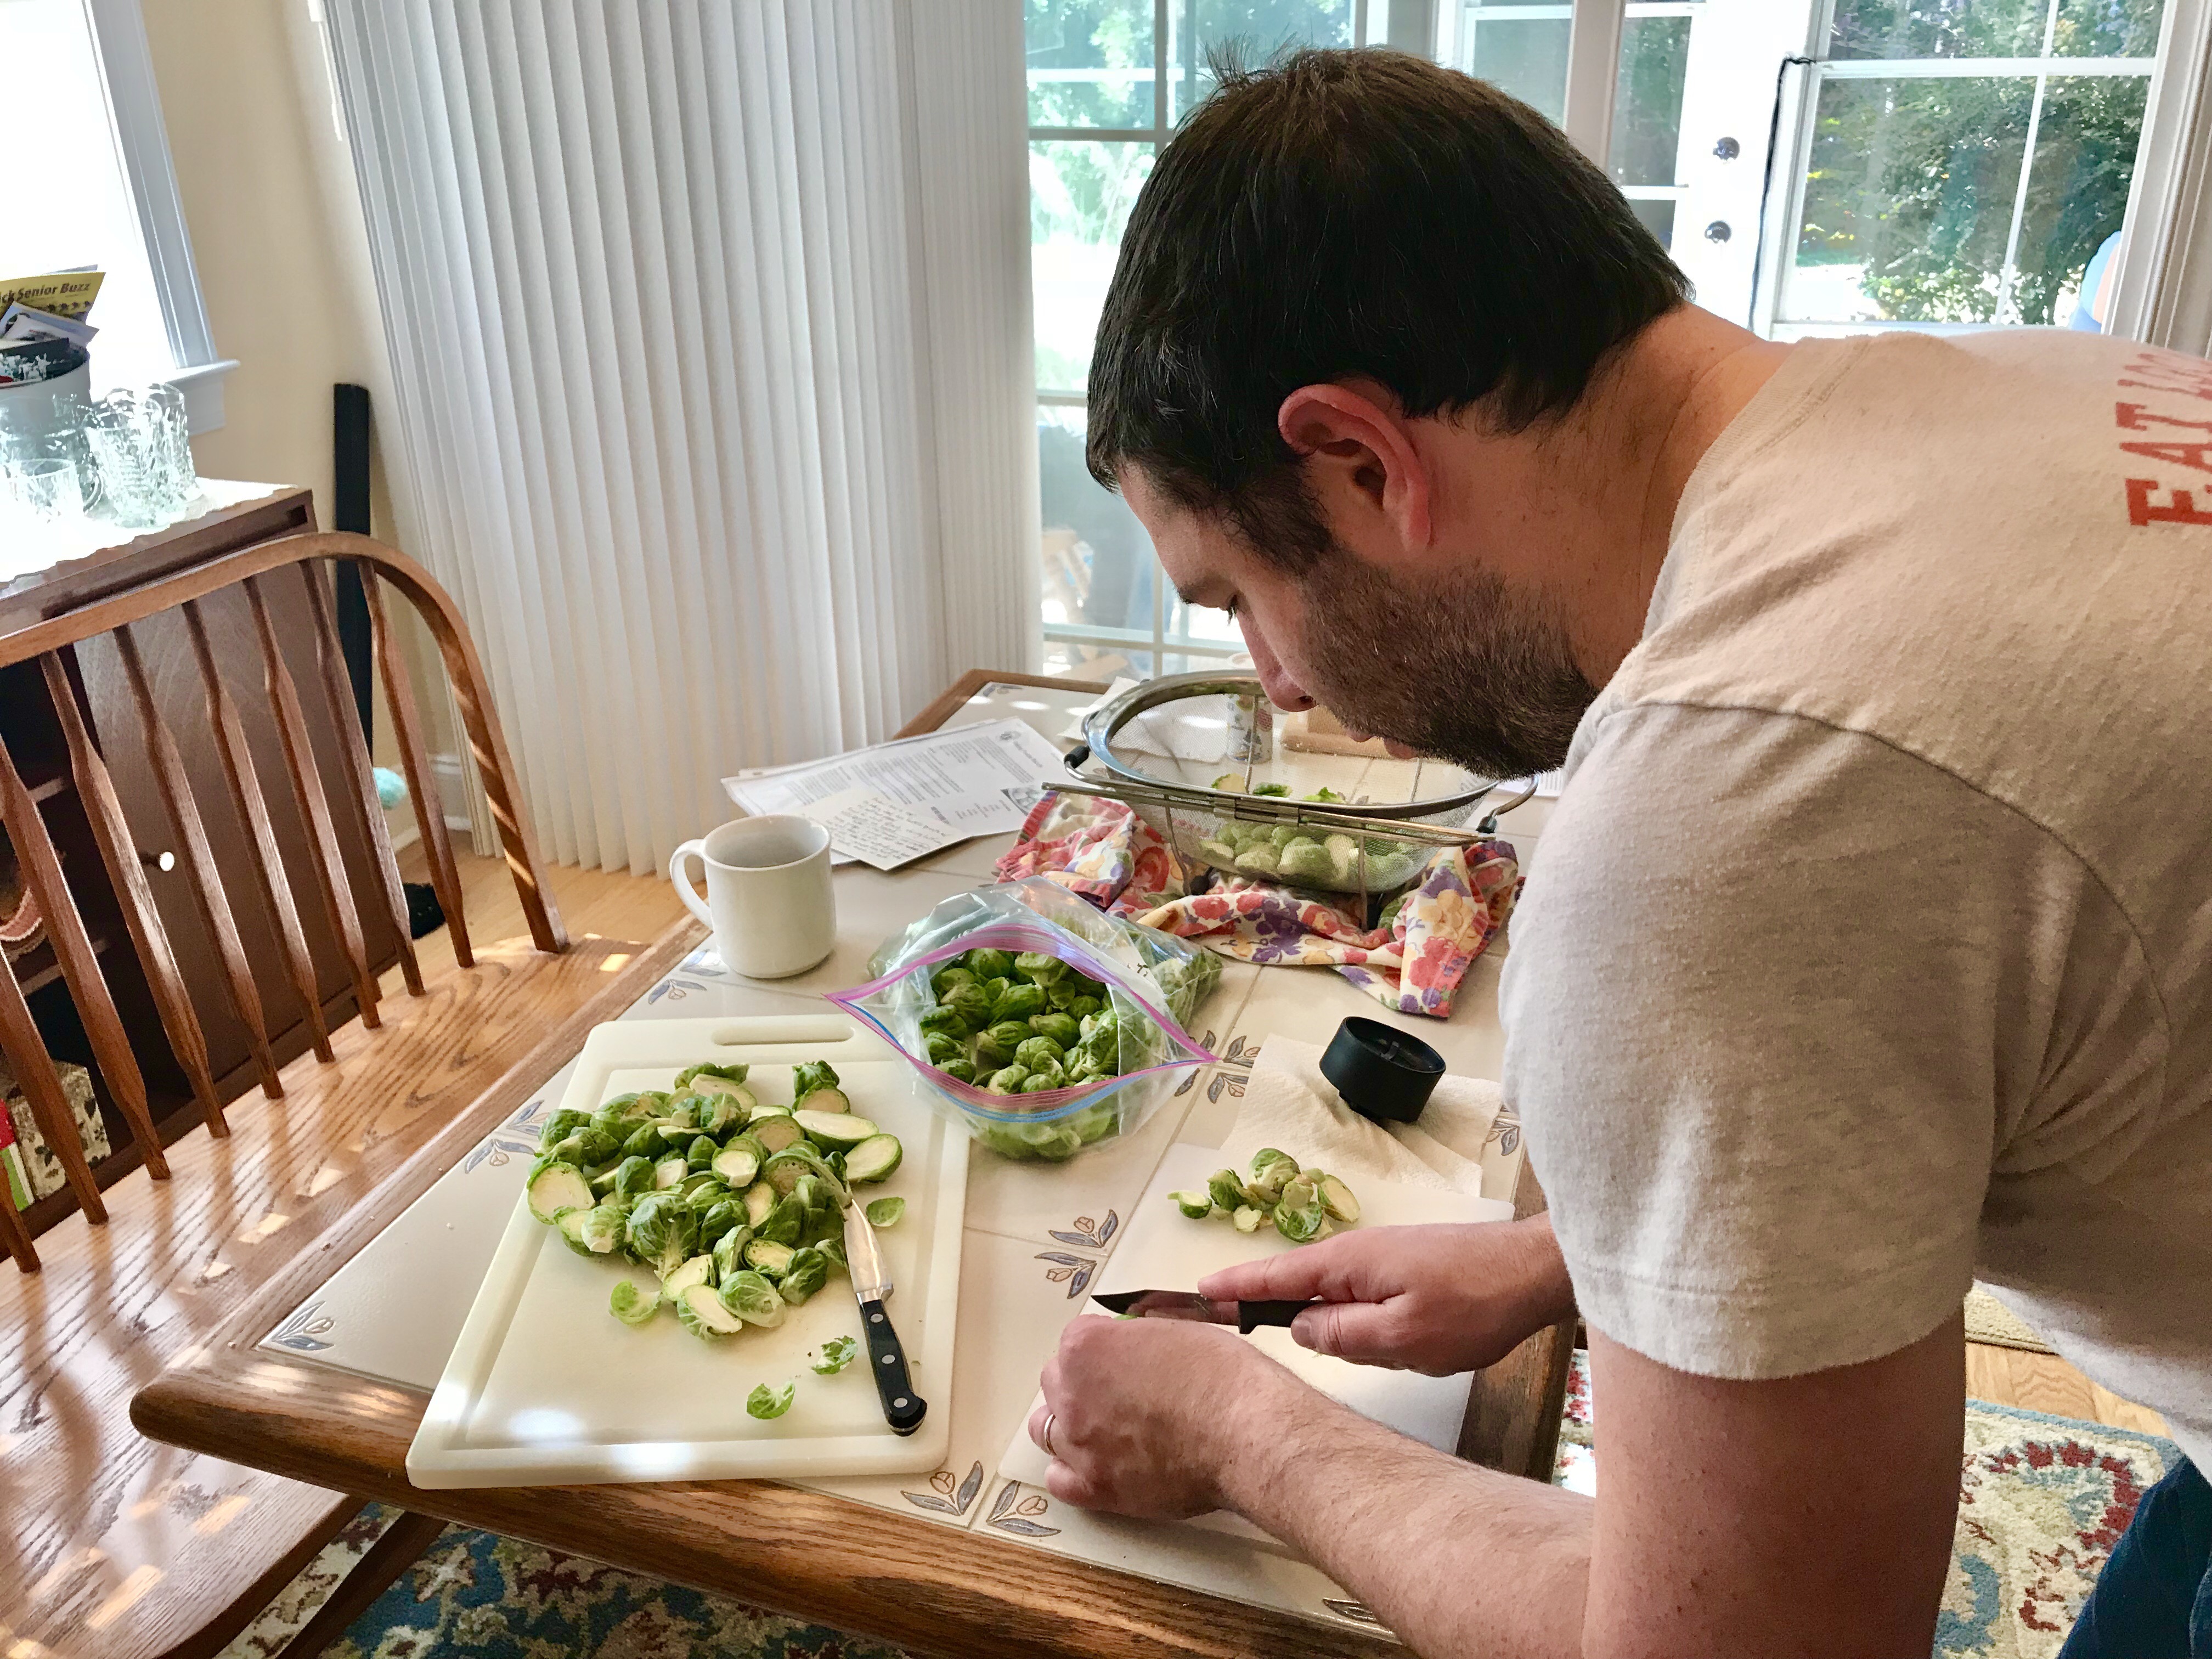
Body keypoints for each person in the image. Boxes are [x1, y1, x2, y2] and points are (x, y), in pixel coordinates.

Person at [1025, 47, 2212, 1658]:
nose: (1276, 682)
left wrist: (1240, 1428)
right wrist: (1562, 1256)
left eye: (1238, 597)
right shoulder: (2015, 383)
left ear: (1362, 460)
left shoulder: (1723, 820)